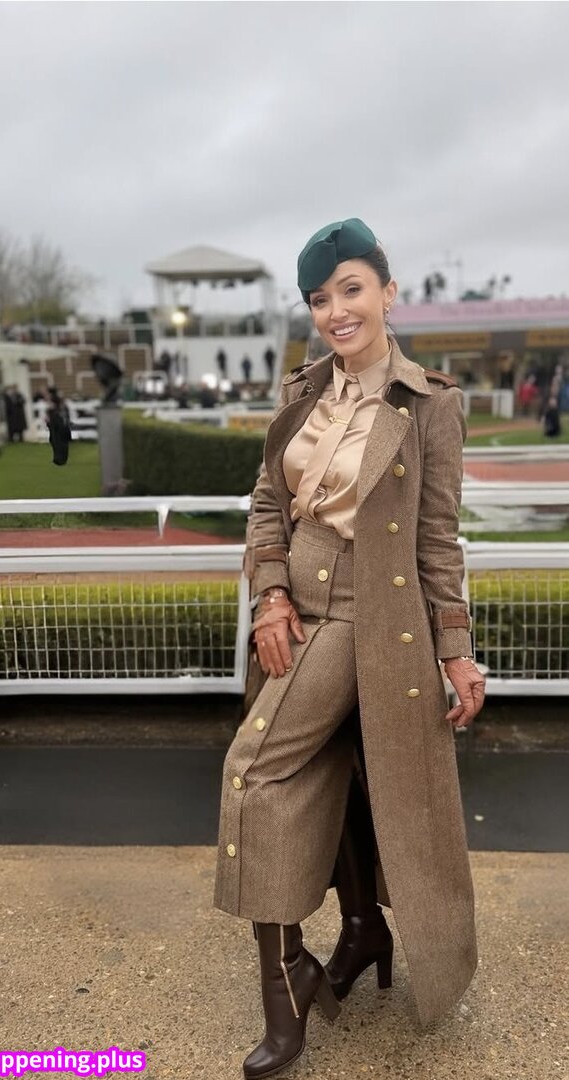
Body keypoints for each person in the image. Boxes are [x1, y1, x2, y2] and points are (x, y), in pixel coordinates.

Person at [213, 218, 486, 1079]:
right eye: (319, 298)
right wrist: (269, 595)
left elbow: (436, 538)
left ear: (389, 292)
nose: (336, 311)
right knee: (340, 775)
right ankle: (364, 928)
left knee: (254, 770)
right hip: (294, 608)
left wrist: (456, 651)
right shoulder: (304, 390)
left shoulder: (429, 404)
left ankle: (287, 981)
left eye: (351, 289)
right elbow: (268, 503)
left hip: (367, 615)